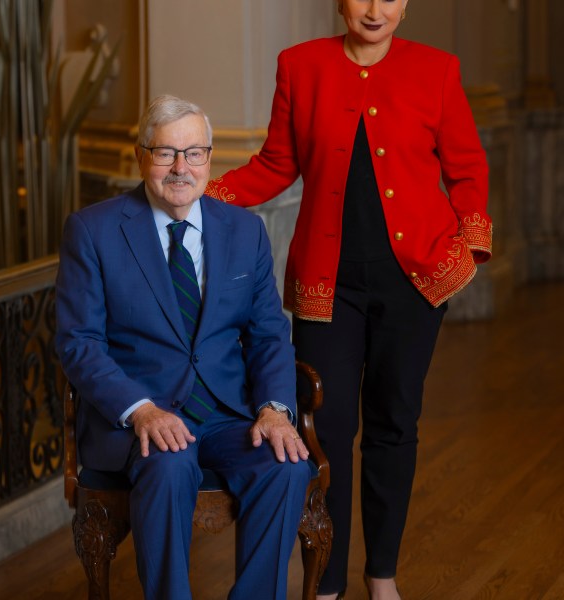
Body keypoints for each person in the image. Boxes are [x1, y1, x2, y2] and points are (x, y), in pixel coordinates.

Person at [204, 1, 493, 599]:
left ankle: (381, 572)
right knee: (326, 430)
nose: (374, 8)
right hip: (326, 284)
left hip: (415, 282)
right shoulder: (300, 65)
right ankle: (327, 579)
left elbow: (466, 166)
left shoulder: (437, 69)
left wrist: (470, 246)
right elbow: (276, 165)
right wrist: (201, 195)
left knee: (394, 422)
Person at [55, 94, 312, 600]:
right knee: (169, 465)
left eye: (194, 153)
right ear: (140, 156)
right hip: (141, 417)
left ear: (210, 159)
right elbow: (78, 342)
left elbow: (267, 333)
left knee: (287, 464)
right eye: (165, 153)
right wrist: (141, 410)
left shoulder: (244, 230)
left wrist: (275, 408)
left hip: (224, 412)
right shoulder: (93, 230)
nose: (180, 168)